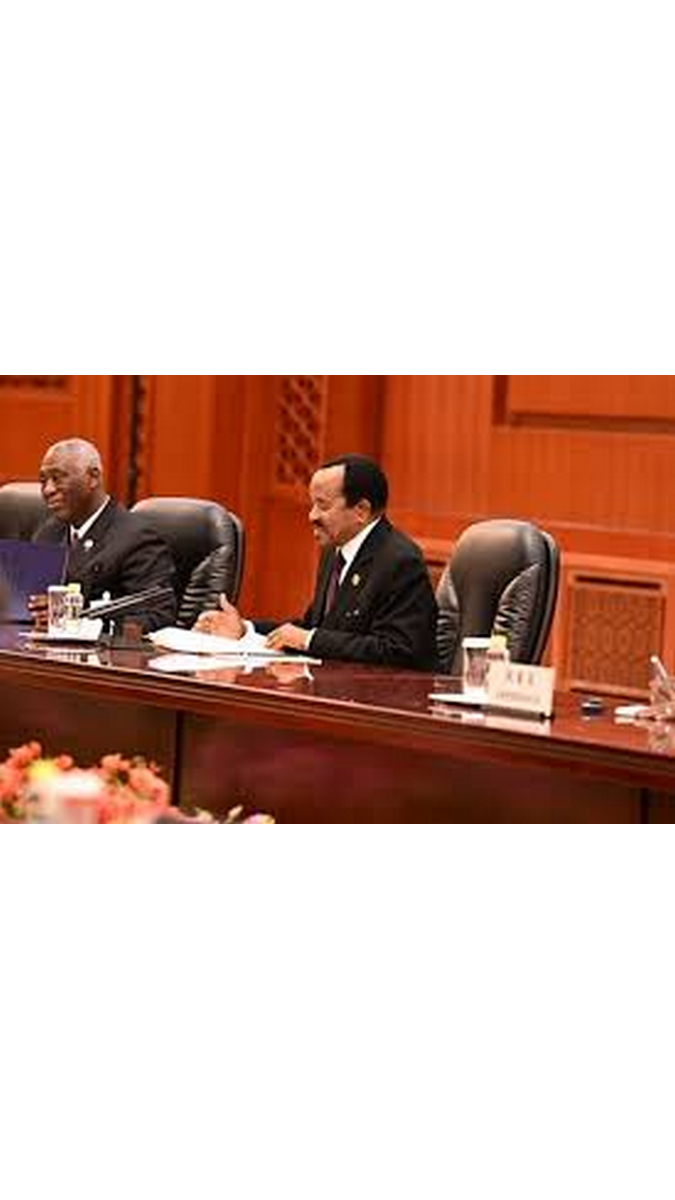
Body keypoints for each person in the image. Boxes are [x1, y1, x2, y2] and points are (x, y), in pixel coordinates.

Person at [195, 454, 438, 671]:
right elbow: (312, 628)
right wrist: (245, 630)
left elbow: (398, 651)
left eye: (323, 505)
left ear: (361, 510)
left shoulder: (400, 561)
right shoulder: (335, 552)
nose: (312, 515)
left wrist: (310, 640)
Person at [30, 438, 177, 632]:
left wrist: (77, 620)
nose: (48, 489)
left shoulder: (136, 538)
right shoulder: (48, 532)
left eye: (58, 478)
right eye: (43, 480)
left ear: (93, 477)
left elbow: (159, 616)